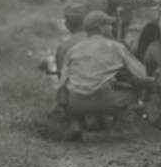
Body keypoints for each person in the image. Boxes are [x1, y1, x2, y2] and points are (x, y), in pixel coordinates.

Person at [55, 11, 151, 141]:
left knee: (69, 90)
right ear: (101, 28)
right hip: (102, 101)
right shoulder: (115, 46)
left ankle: (76, 123)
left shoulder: (74, 49)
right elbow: (142, 73)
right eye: (109, 25)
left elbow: (62, 83)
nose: (112, 28)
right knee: (133, 91)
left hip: (75, 104)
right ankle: (120, 126)